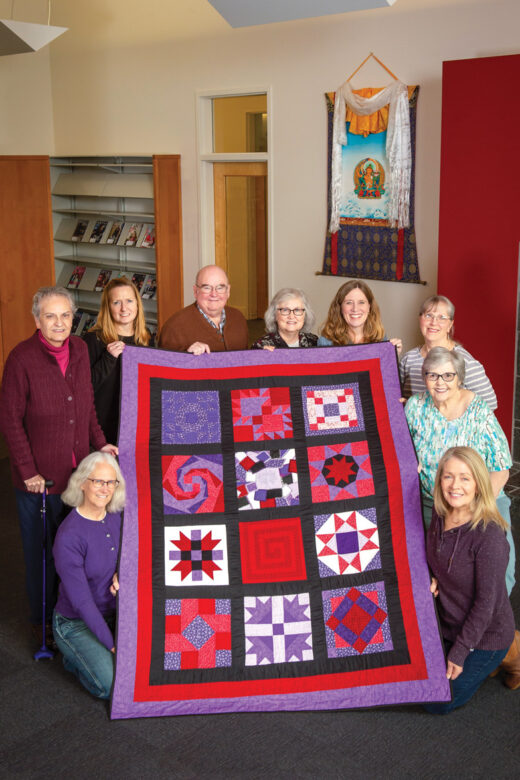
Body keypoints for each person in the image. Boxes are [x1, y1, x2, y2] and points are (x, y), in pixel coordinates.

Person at [0, 287, 117, 645]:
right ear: (37, 320)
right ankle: (42, 621)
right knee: (42, 553)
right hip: (41, 481)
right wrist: (27, 471)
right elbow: (10, 419)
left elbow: (86, 408)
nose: (59, 323)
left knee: (75, 551)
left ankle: (73, 611)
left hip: (77, 476)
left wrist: (100, 444)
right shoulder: (21, 358)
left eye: (65, 315)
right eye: (50, 316)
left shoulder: (80, 350)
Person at [405, 346, 515, 593]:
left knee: (498, 574)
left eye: (448, 375)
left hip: (483, 502)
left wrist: (475, 508)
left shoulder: (478, 410)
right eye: (432, 375)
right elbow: (400, 451)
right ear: (424, 378)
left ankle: (493, 630)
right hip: (433, 502)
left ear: (460, 378)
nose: (440, 382)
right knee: (437, 575)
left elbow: (501, 467)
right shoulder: (414, 407)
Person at [423, 447, 518, 714]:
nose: (455, 486)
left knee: (437, 704)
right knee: (414, 680)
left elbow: (486, 604)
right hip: (450, 624)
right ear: (439, 479)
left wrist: (460, 652)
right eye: (448, 477)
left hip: (486, 635)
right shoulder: (442, 515)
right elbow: (436, 558)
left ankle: (512, 651)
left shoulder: (489, 536)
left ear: (478, 484)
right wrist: (433, 576)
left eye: (465, 478)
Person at [53, 452, 125, 699]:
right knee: (113, 685)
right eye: (98, 481)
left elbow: (131, 555)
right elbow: (82, 602)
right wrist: (112, 644)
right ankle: (73, 659)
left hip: (114, 612)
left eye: (111, 482)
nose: (105, 489)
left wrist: (121, 573)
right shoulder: (68, 537)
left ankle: (90, 655)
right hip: (75, 622)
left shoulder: (116, 516)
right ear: (82, 482)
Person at [83, 276, 154, 443]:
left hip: (136, 427)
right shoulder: (94, 339)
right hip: (103, 428)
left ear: (137, 304)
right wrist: (108, 358)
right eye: (116, 302)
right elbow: (84, 387)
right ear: (108, 307)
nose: (124, 308)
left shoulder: (146, 340)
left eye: (129, 301)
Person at [400, 295, 496, 408]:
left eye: (442, 317)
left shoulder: (465, 361)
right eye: (428, 315)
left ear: (450, 324)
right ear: (420, 319)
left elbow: (490, 403)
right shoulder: (408, 359)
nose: (433, 322)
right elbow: (396, 397)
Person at [158, 265, 248, 354]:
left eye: (220, 288)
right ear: (195, 291)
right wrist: (187, 355)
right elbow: (162, 365)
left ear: (228, 291)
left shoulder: (238, 318)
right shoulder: (174, 327)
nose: (214, 294)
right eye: (207, 288)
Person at [318, 279, 402, 354]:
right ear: (340, 307)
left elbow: (384, 370)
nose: (355, 309)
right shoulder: (326, 342)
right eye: (349, 302)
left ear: (369, 306)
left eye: (361, 302)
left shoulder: (380, 339)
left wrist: (392, 357)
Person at [250, 288, 318, 350]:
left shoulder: (314, 342)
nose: (291, 316)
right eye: (285, 310)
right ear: (274, 315)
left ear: (305, 315)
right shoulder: (261, 347)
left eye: (297, 310)